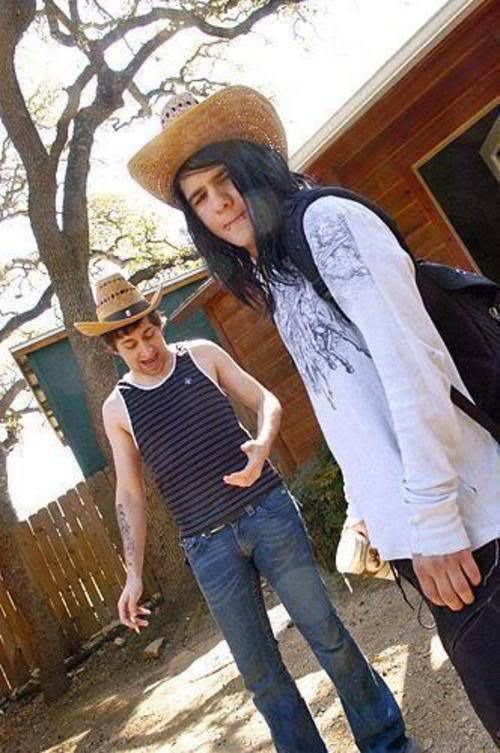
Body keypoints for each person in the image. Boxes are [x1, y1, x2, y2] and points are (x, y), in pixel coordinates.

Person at [127, 85, 500, 747]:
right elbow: (349, 400)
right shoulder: (272, 273)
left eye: (226, 180)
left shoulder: (325, 222)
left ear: (257, 164)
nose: (220, 205)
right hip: (427, 537)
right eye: (200, 198)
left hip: (472, 525)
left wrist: (435, 515)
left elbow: (413, 367)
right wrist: (367, 500)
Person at [74, 273, 417, 753]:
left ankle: (387, 743)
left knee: (328, 636)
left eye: (149, 334)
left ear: (160, 322)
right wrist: (132, 574)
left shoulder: (202, 355)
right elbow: (129, 494)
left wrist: (262, 446)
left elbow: (266, 401)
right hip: (208, 548)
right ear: (115, 350)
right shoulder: (118, 409)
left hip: (268, 513)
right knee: (261, 674)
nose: (146, 350)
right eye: (131, 344)